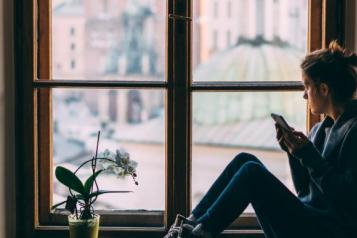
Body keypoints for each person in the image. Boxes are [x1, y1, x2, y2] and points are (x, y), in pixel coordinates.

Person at [164, 41, 357, 238]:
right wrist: (293, 152)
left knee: (252, 172)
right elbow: (304, 192)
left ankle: (201, 234)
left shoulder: (353, 130)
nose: (304, 95)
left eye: (307, 86)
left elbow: (348, 198)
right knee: (243, 159)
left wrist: (308, 156)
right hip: (310, 219)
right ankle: (192, 223)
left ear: (324, 89)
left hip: (329, 229)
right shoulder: (319, 129)